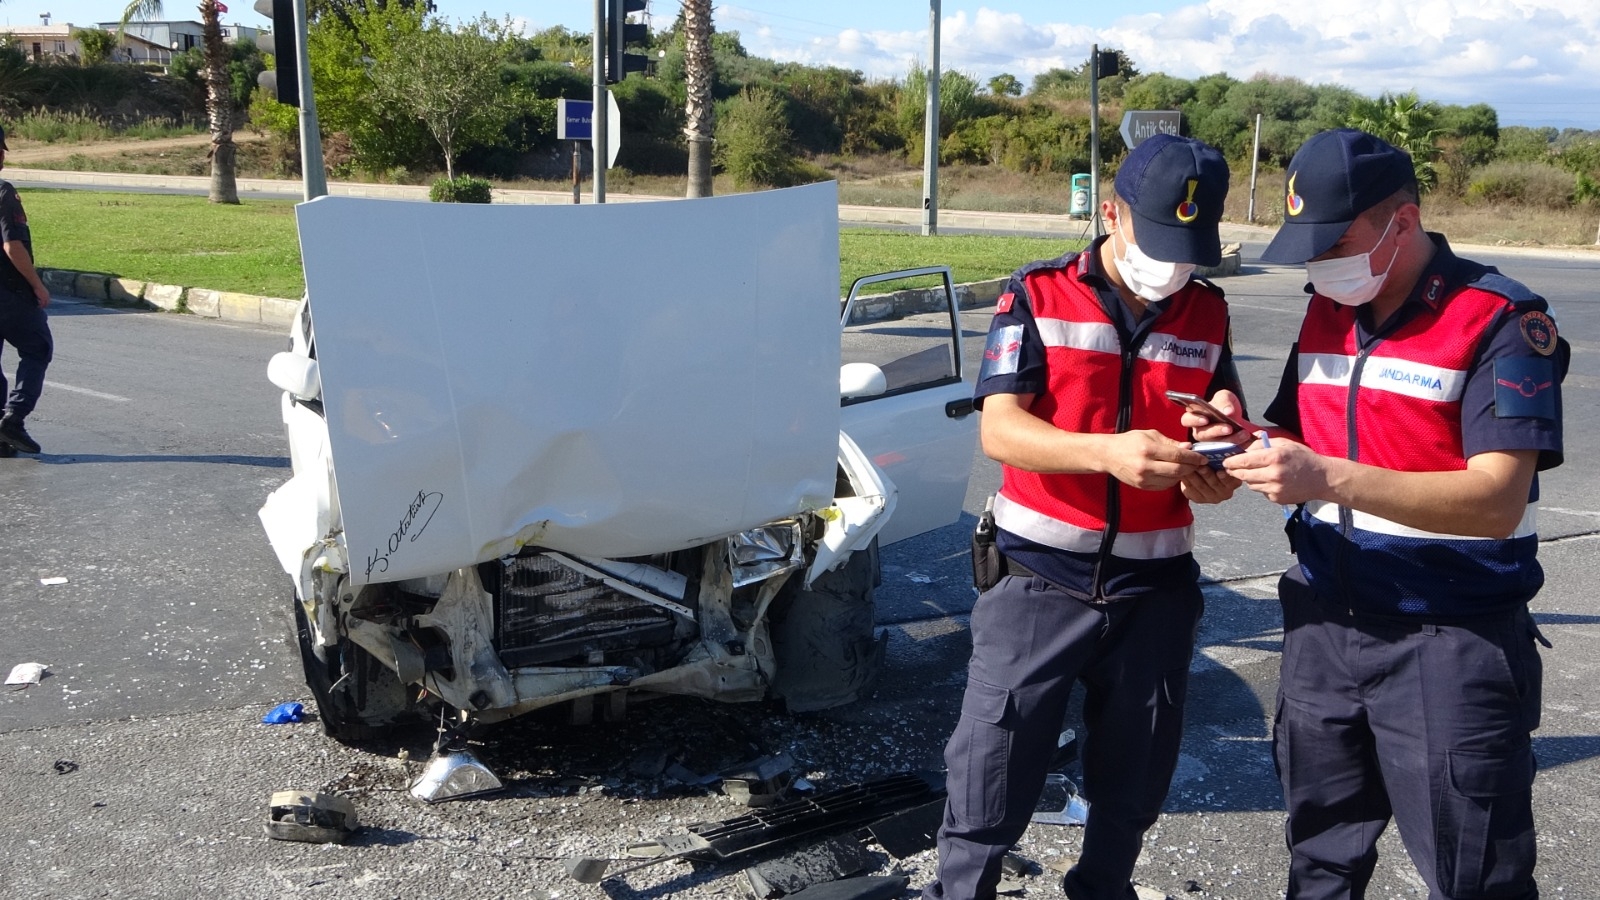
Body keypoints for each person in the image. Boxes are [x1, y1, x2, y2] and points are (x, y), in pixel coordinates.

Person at [1196, 129, 1567, 900]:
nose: (1320, 261)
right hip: (1324, 624)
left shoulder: (1500, 320)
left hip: (1449, 637)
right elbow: (1297, 431)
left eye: (1336, 241)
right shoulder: (1330, 308)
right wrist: (1243, 437)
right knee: (1320, 860)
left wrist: (1324, 476)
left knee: (1475, 878)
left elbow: (1497, 499)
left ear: (1403, 221)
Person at [924, 133, 1242, 900]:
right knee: (989, 779)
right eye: (1159, 242)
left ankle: (1104, 888)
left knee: (1134, 776)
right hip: (1039, 578)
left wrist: (1221, 454)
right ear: (1112, 214)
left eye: (1189, 249)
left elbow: (1224, 417)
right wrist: (1107, 454)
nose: (1172, 268)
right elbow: (1001, 429)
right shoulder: (1037, 294)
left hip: (1156, 584)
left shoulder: (1207, 310)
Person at [0, 122, 53, 455]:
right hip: (9, 293)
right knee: (38, 348)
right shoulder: (3, 192)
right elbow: (12, 246)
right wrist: (36, 285)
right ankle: (14, 419)